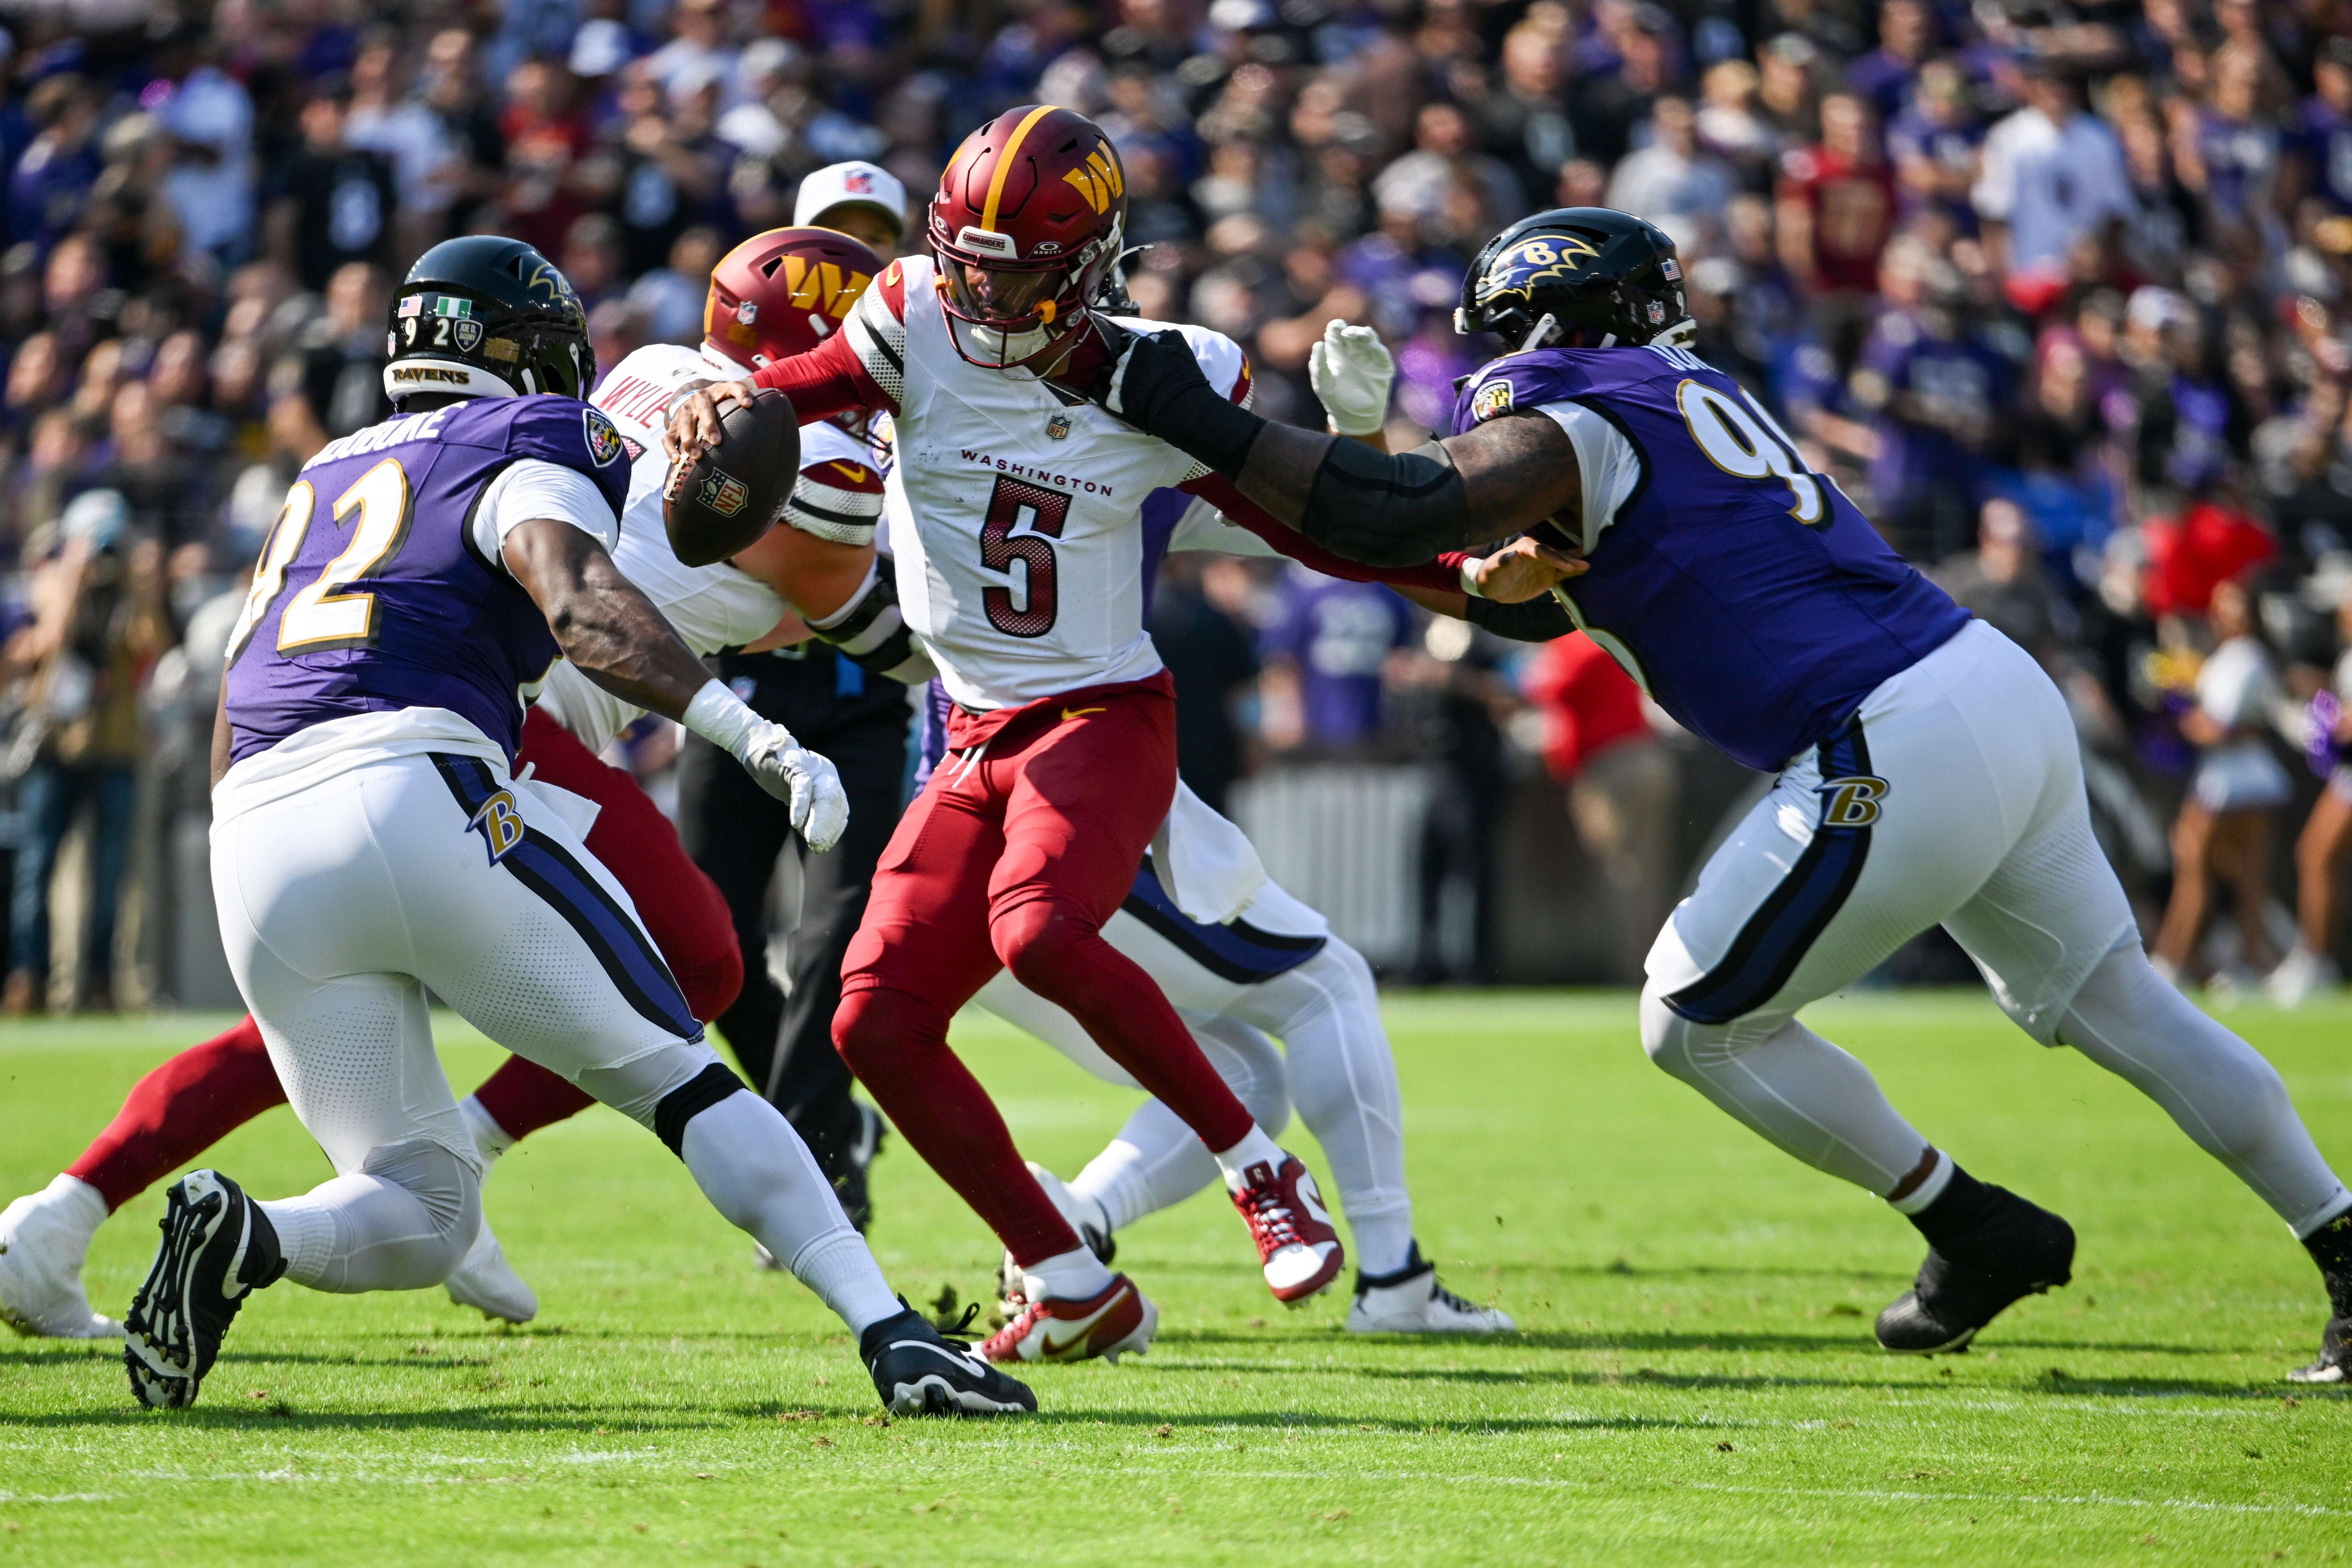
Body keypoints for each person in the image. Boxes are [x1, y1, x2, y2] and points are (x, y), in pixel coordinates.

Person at [1081, 205, 2352, 1383]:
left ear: (1543, 326)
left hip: (1888, 728)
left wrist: (1204, 421)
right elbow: (1508, 593)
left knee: (1691, 1020)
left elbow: (1403, 513)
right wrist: (1365, 479)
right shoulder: (1682, 399)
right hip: (1984, 687)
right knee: (2113, 997)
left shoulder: (1572, 411)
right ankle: (2335, 1249)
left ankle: (1969, 1225)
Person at [111, 234, 1031, 1419]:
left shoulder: (327, 468)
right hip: (416, 785)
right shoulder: (535, 434)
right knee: (688, 1080)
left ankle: (244, 1233)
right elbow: (582, 599)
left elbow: (243, 685)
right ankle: (897, 1334)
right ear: (526, 351)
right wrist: (748, 733)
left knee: (426, 1211)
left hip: (252, 833)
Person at [665, 107, 1480, 1364]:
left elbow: (1307, 523)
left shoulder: (1161, 375)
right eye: (969, 260)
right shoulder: (911, 315)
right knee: (869, 1020)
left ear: (1095, 259)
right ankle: (1068, 1273)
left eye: (1016, 267)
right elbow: (786, 389)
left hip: (1099, 715)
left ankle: (1261, 1171)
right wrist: (707, 409)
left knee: (1039, 934)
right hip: (969, 739)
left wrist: (1439, 534)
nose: (983, 290)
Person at [670, 167, 918, 1229]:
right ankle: (819, 1123)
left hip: (862, 695)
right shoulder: (723, 380)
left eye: (865, 245)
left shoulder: (917, 373)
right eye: (829, 241)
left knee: (829, 942)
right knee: (705, 941)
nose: (836, 276)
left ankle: (819, 1157)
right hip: (743, 690)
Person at [2150, 577, 2291, 991]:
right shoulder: (2233, 656)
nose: (2223, 615)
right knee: (2242, 876)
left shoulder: (2244, 657)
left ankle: (2174, 961)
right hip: (2245, 778)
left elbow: (2220, 728)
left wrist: (2175, 723)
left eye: (2233, 607)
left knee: (2196, 871)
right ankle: (2248, 960)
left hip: (2232, 781)